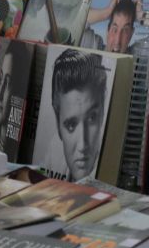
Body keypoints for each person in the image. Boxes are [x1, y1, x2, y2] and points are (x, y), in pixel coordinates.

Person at [46, 48, 110, 181]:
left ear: (102, 114)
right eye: (71, 125)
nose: (82, 145)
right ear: (58, 124)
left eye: (92, 118)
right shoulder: (54, 150)